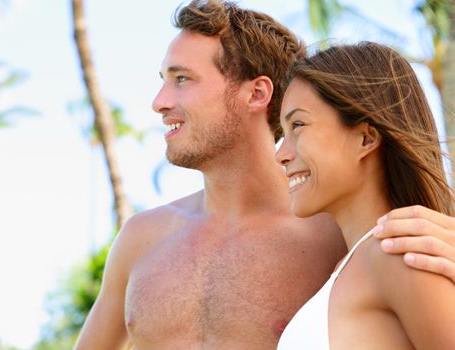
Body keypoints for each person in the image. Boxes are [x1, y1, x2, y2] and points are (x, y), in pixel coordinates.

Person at [75, 1, 455, 349]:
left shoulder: (341, 235)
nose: (159, 102)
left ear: (257, 93)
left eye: (182, 79)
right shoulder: (141, 240)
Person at [276, 41, 455, 349]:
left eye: (298, 125)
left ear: (366, 138)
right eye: (283, 133)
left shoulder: (398, 253)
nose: (281, 154)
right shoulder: (355, 263)